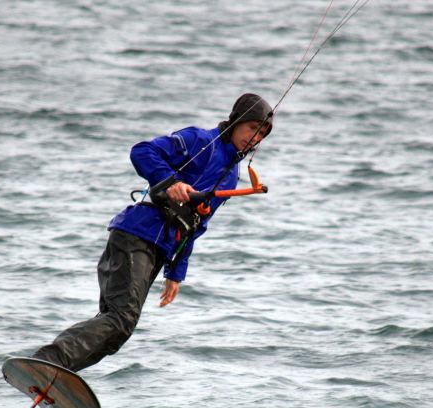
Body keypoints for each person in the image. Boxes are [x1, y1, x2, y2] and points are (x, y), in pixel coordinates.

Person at [32, 93, 274, 373]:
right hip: (136, 235)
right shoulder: (199, 140)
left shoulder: (231, 175)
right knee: (121, 319)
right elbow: (142, 150)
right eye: (252, 128)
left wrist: (175, 272)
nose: (254, 138)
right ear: (236, 122)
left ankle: (56, 374)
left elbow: (197, 224)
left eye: (262, 134)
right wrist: (170, 182)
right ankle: (49, 361)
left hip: (158, 249)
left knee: (118, 331)